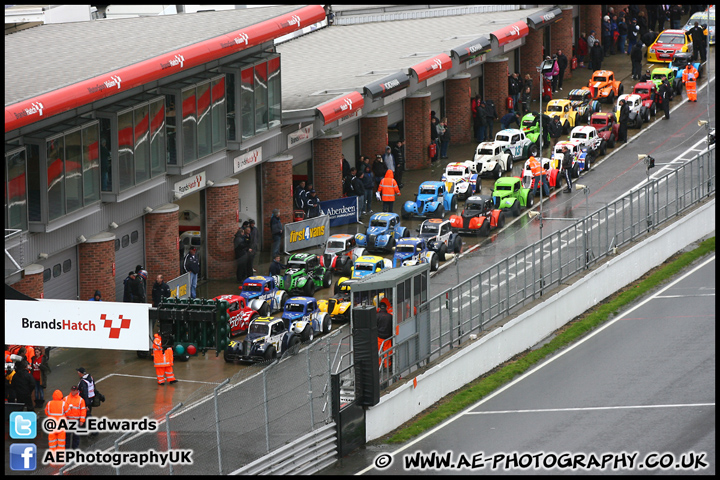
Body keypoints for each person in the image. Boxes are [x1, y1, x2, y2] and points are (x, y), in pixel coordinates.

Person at [45, 389, 68, 453]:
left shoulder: (49, 403)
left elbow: (46, 412)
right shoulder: (64, 404)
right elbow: (68, 413)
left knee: (52, 443)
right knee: (61, 443)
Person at [64, 385, 86, 449]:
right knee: (67, 436)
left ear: (77, 391)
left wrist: (82, 420)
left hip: (76, 420)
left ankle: (74, 449)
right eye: (72, 390)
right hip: (68, 420)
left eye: (74, 390)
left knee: (76, 436)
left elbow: (83, 410)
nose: (73, 392)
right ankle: (67, 449)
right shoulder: (66, 399)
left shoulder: (81, 400)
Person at [376, 301, 393, 368]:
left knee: (379, 351)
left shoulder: (376, 316)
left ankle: (379, 365)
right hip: (388, 337)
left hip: (379, 337)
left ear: (379, 308)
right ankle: (387, 366)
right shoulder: (390, 316)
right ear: (386, 308)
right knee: (387, 352)